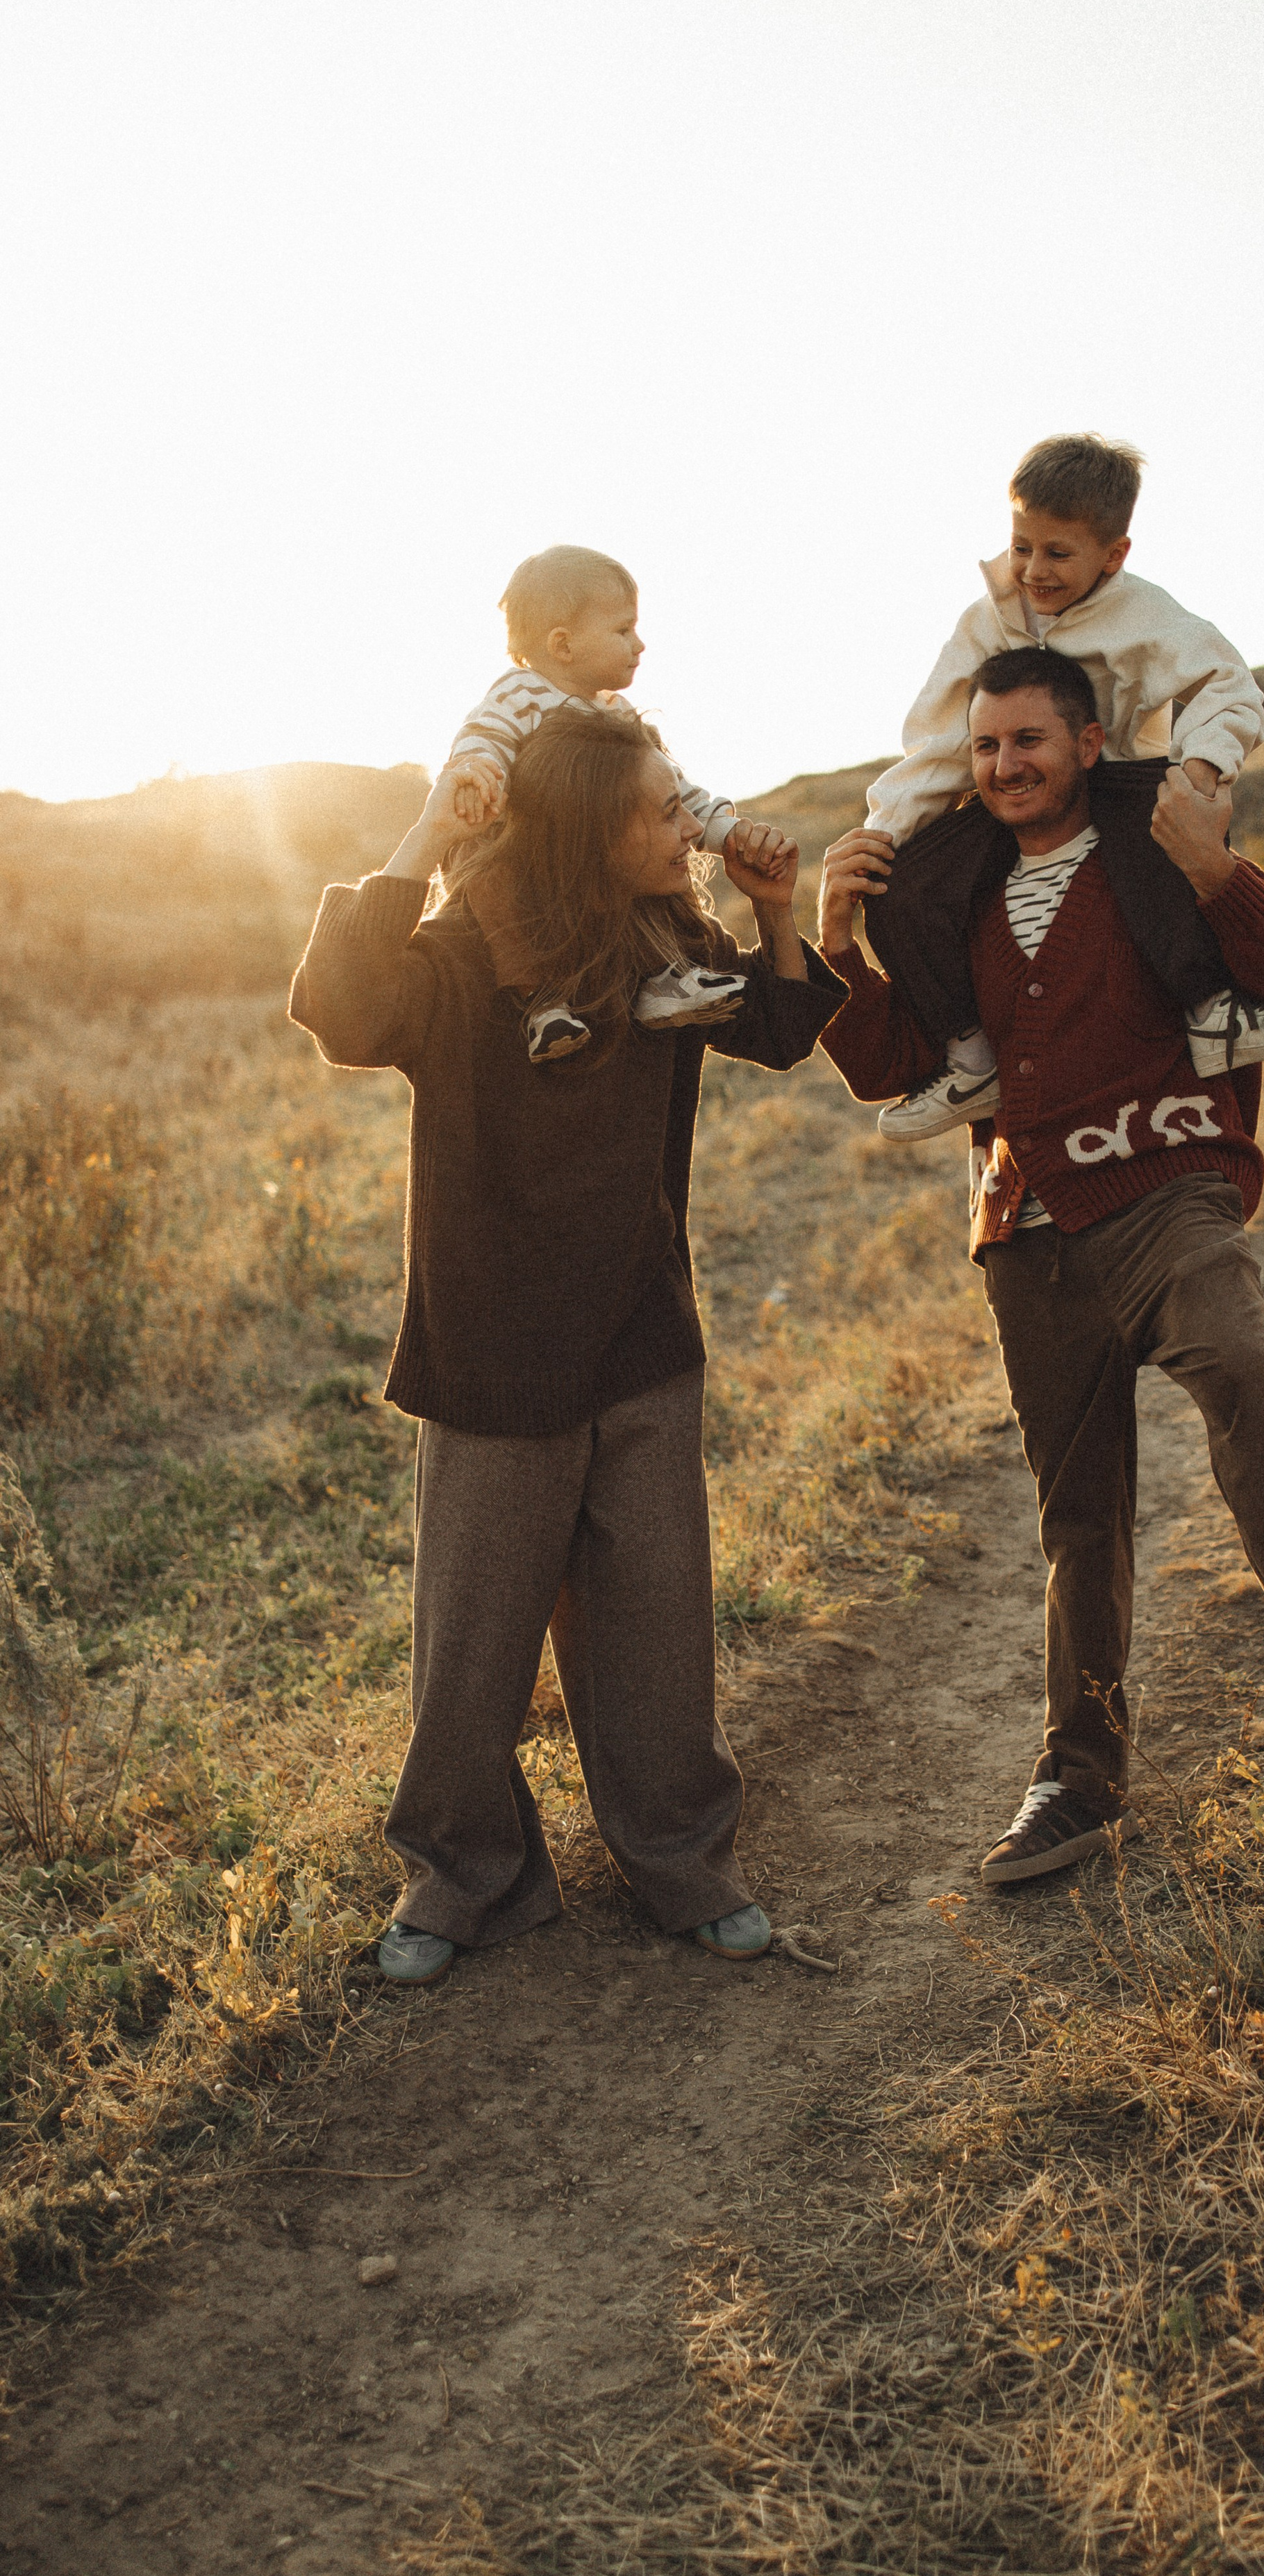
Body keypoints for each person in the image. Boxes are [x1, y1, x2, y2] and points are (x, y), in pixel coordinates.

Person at [817, 654, 1264, 1885]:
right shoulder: (959, 893)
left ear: (1089, 743)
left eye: (1029, 741)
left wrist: (1217, 870)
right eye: (986, 747)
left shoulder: (1160, 855)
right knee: (1078, 1514)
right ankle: (1078, 1777)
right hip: (1028, 1231)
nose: (1006, 766)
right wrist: (837, 941)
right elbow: (894, 1068)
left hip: (1168, 1190)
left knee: (1243, 1365)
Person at [289, 702, 845, 1981]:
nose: (686, 823)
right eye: (661, 807)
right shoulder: (463, 952)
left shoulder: (667, 935)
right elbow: (344, 1012)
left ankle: (684, 1862)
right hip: (492, 1352)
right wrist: (429, 833)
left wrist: (774, 912)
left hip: (642, 1335)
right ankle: (462, 1879)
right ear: (590, 828)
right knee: (473, 1647)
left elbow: (776, 1030)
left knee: (656, 1625)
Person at [860, 434, 1264, 1143]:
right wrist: (885, 834)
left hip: (1118, 780)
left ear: (1113, 555)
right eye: (1021, 547)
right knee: (901, 885)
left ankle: (1211, 1010)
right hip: (1018, 790)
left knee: (1164, 825)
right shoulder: (985, 622)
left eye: (1058, 553)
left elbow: (1229, 687)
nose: (1033, 570)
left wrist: (1200, 771)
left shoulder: (1144, 614)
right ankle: (970, 1056)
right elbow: (942, 742)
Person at [444, 543, 756, 1051]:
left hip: (592, 856)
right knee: (491, 879)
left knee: (649, 854)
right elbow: (483, 738)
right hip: (527, 856)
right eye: (623, 630)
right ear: (563, 645)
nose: (639, 644)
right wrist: (478, 771)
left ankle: (666, 976)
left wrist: (722, 830)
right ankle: (543, 1004)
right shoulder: (520, 694)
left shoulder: (617, 713)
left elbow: (669, 789)